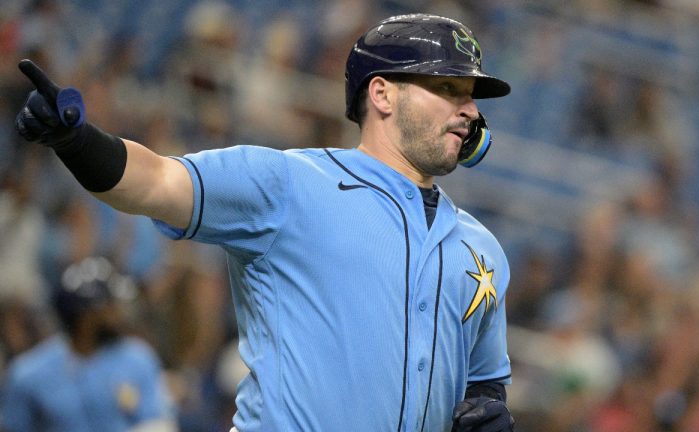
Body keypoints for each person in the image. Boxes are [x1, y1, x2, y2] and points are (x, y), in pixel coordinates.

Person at [13, 13, 515, 432]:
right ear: (382, 95)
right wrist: (75, 141)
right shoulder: (288, 183)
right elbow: (155, 182)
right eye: (448, 88)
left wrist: (489, 410)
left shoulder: (482, 247)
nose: (470, 110)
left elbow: (485, 383)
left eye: (470, 94)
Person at [1, 256, 176, 432]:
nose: (118, 314)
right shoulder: (29, 373)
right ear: (86, 318)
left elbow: (159, 424)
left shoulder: (137, 358)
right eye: (110, 306)